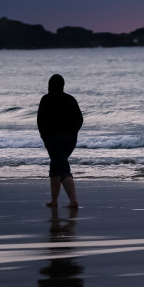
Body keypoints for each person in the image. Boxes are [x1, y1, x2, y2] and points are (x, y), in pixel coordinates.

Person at [38, 74, 83, 208]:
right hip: (70, 139)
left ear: (49, 85)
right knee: (56, 166)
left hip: (53, 139)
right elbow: (80, 119)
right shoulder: (70, 99)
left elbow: (40, 121)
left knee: (63, 169)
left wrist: (44, 136)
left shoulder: (46, 99)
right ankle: (54, 201)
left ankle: (73, 201)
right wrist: (73, 133)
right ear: (63, 85)